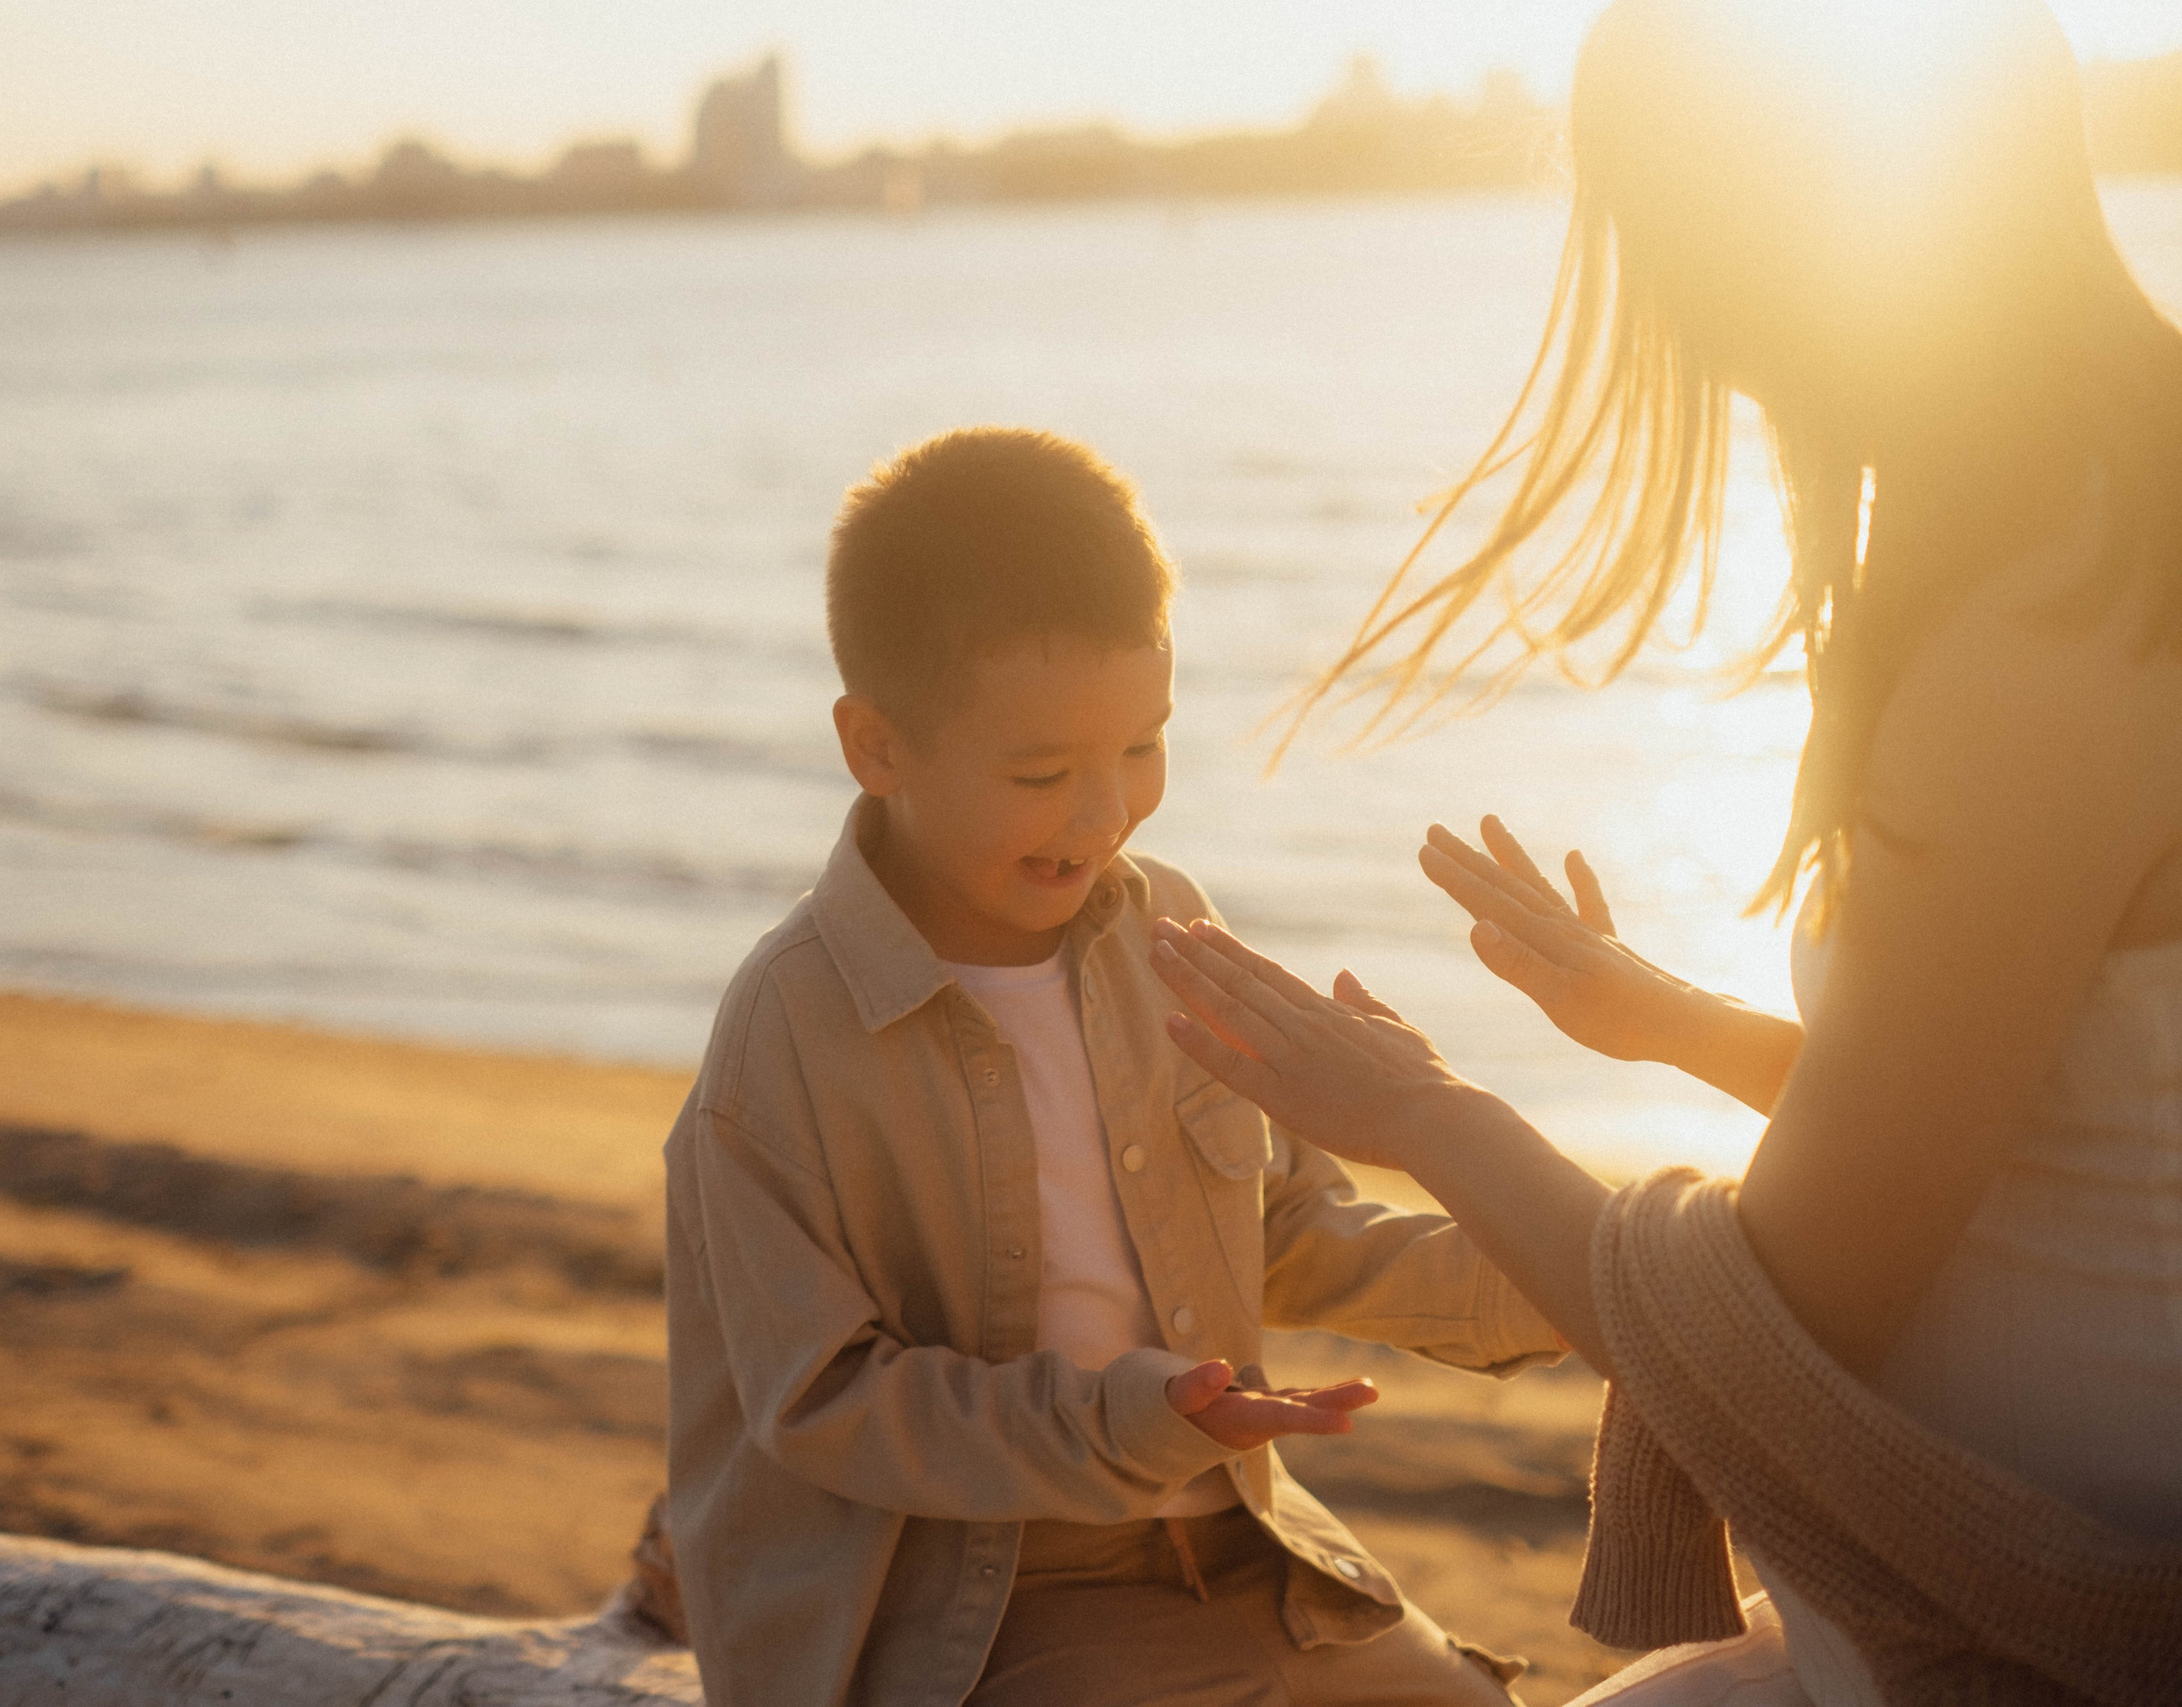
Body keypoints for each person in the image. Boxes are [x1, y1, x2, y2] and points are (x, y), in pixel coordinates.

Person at [1152, 2, 2182, 1702]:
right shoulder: (2083, 506)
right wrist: (1674, 1022)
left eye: (1668, 246)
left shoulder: (2056, 618)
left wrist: (1427, 1117)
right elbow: (2074, 1156)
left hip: (2053, 1635)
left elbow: (1780, 1331)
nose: (1690, 333)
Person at [663, 427, 1564, 1707]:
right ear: (876, 747)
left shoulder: (1164, 926)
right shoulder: (790, 1029)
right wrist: (1139, 1419)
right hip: (972, 1610)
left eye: (1141, 746)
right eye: (1041, 773)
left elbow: (1289, 1227)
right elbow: (821, 1398)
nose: (1105, 815)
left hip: (1253, 1545)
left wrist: (1568, 1269)